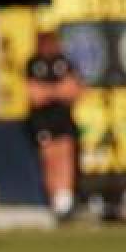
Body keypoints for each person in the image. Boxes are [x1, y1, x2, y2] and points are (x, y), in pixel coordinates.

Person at [25, 30, 83, 218]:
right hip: (43, 122)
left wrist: (49, 91)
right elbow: (34, 95)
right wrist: (58, 91)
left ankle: (65, 201)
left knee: (65, 158)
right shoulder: (34, 64)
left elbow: (75, 90)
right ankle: (55, 204)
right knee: (50, 160)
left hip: (64, 120)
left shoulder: (65, 62)